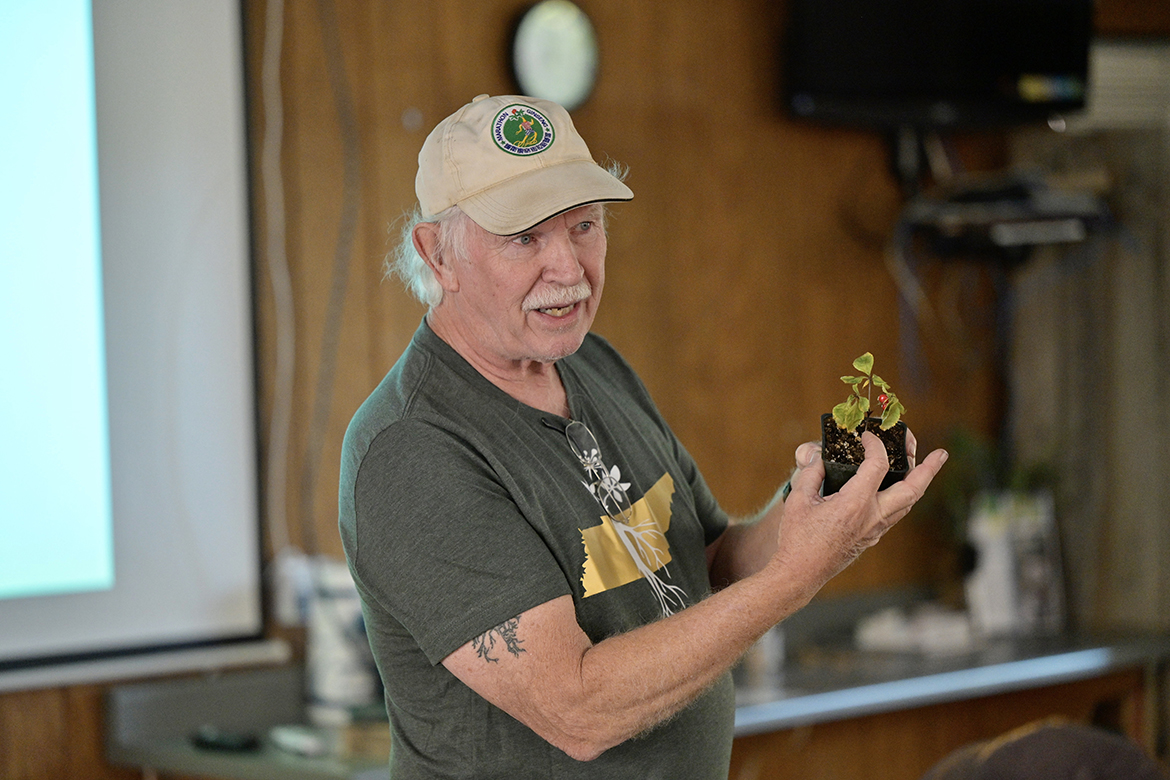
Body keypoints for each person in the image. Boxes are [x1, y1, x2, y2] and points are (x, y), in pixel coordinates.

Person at [339, 93, 947, 779]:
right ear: (436, 254)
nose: (568, 269)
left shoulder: (592, 362)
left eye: (585, 226)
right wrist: (797, 578)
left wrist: (829, 508)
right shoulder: (411, 450)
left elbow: (711, 564)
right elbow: (577, 710)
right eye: (524, 238)